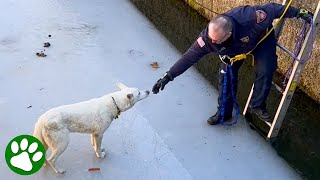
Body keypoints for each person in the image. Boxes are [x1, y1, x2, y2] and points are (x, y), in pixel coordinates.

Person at [151, 3, 313, 125]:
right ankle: (224, 113)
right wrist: (167, 77)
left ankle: (257, 105)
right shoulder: (207, 39)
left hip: (260, 40)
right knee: (226, 77)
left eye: (216, 40)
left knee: (266, 68)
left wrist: (300, 13)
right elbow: (188, 58)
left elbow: (274, 9)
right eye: (210, 38)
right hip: (233, 51)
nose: (211, 42)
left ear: (227, 34)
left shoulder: (252, 17)